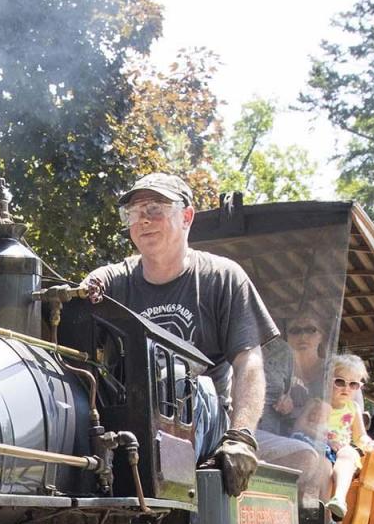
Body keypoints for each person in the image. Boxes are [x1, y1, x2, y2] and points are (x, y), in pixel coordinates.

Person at [82, 172, 329, 505]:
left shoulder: (222, 277)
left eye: (154, 209)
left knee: (180, 380)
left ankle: (165, 518)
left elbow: (249, 361)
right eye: (134, 213)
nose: (142, 220)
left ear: (186, 217)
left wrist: (241, 436)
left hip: (206, 416)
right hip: (130, 418)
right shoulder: (115, 280)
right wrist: (83, 291)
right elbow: (85, 294)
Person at [324, 354, 372, 519]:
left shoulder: (353, 408)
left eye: (353, 385)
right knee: (323, 464)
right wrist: (326, 440)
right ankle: (323, 516)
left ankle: (339, 498)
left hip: (341, 449)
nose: (346, 388)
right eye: (339, 382)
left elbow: (360, 436)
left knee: (349, 454)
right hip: (320, 447)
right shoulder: (319, 404)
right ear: (327, 380)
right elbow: (306, 427)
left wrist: (369, 444)